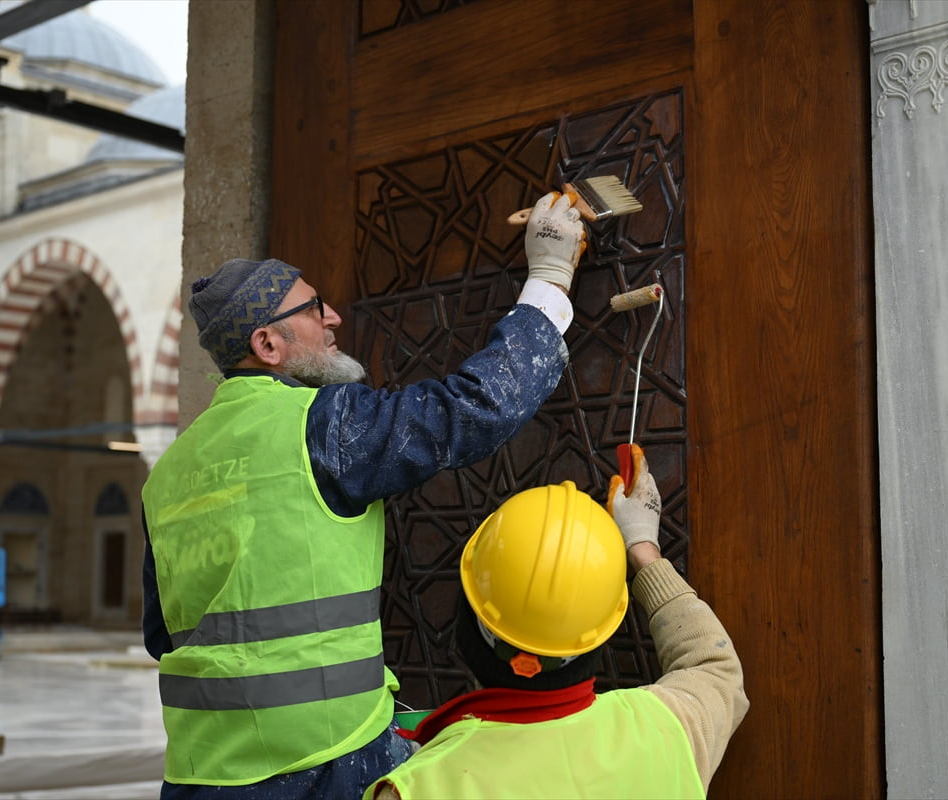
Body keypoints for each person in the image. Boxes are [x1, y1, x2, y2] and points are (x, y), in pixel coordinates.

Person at [139, 191, 589, 799]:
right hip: (324, 766)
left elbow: (163, 636)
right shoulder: (321, 424)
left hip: (198, 777)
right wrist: (549, 282)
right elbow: (472, 408)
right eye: (313, 308)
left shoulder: (166, 476)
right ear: (267, 346)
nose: (333, 318)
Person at [364, 445, 749, 800]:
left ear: (467, 624)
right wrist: (643, 548)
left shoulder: (422, 788)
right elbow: (714, 666)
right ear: (600, 634)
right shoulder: (667, 729)